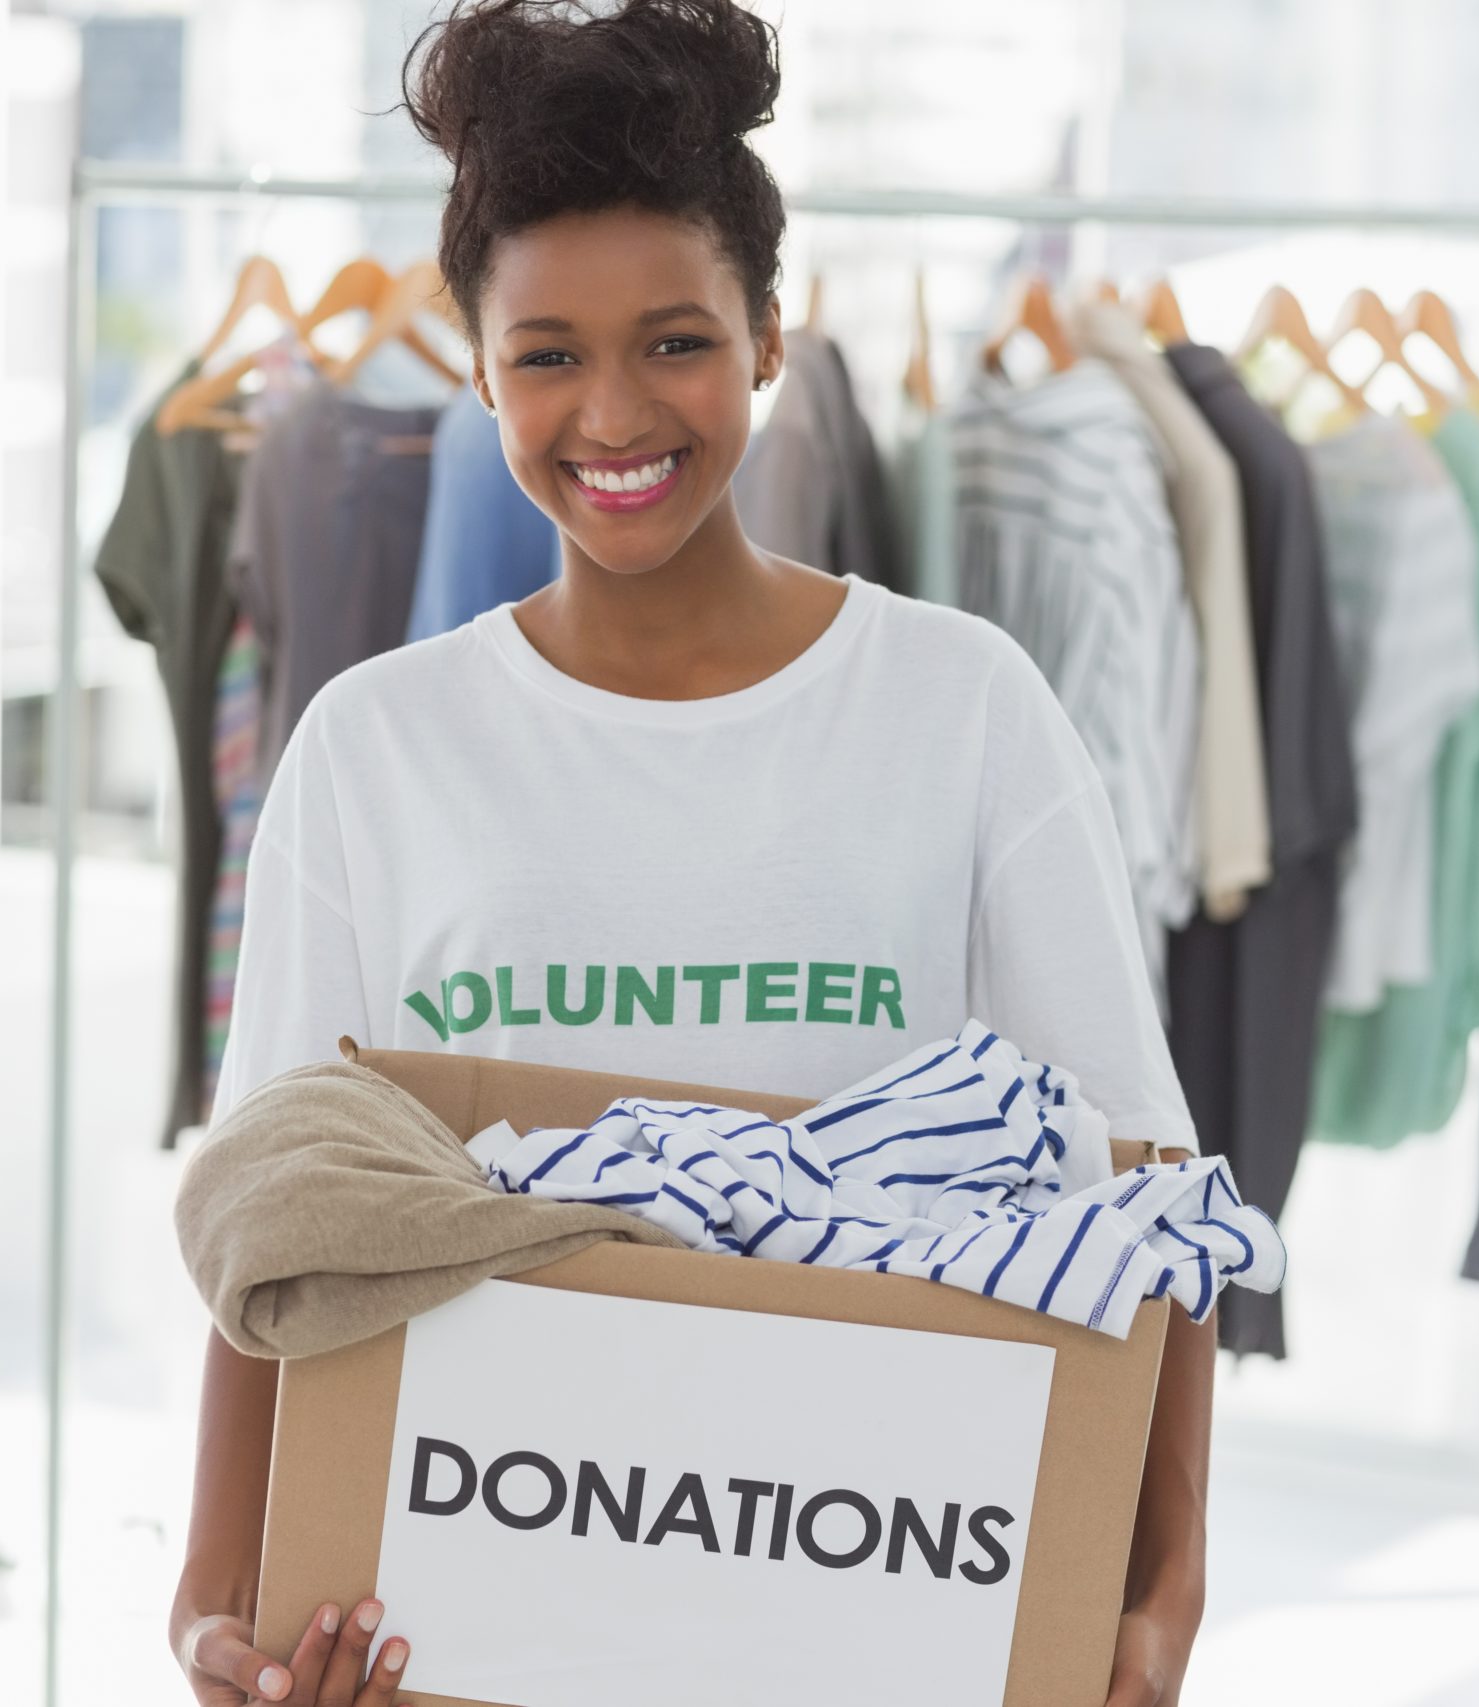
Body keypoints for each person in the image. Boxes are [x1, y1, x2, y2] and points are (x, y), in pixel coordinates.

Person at [171, 2, 1216, 1702]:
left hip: (870, 1613)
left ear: (768, 339)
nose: (613, 415)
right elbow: (276, 1212)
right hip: (477, 1617)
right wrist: (216, 1593)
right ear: (477, 362)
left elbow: (1147, 1193)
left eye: (674, 341)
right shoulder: (376, 745)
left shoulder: (960, 708)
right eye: (547, 355)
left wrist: (1160, 1606)